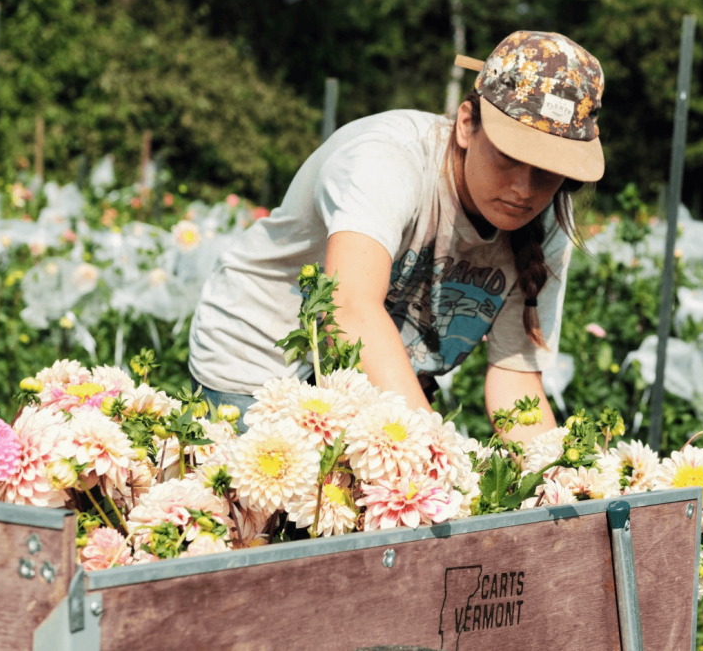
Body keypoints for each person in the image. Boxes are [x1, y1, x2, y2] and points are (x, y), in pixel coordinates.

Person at [187, 31, 605, 445]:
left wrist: (560, 482)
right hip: (263, 360)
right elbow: (348, 310)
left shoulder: (546, 219)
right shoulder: (387, 159)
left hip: (373, 374)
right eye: (511, 156)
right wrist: (439, 454)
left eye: (548, 169)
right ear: (466, 124)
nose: (524, 188)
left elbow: (516, 380)